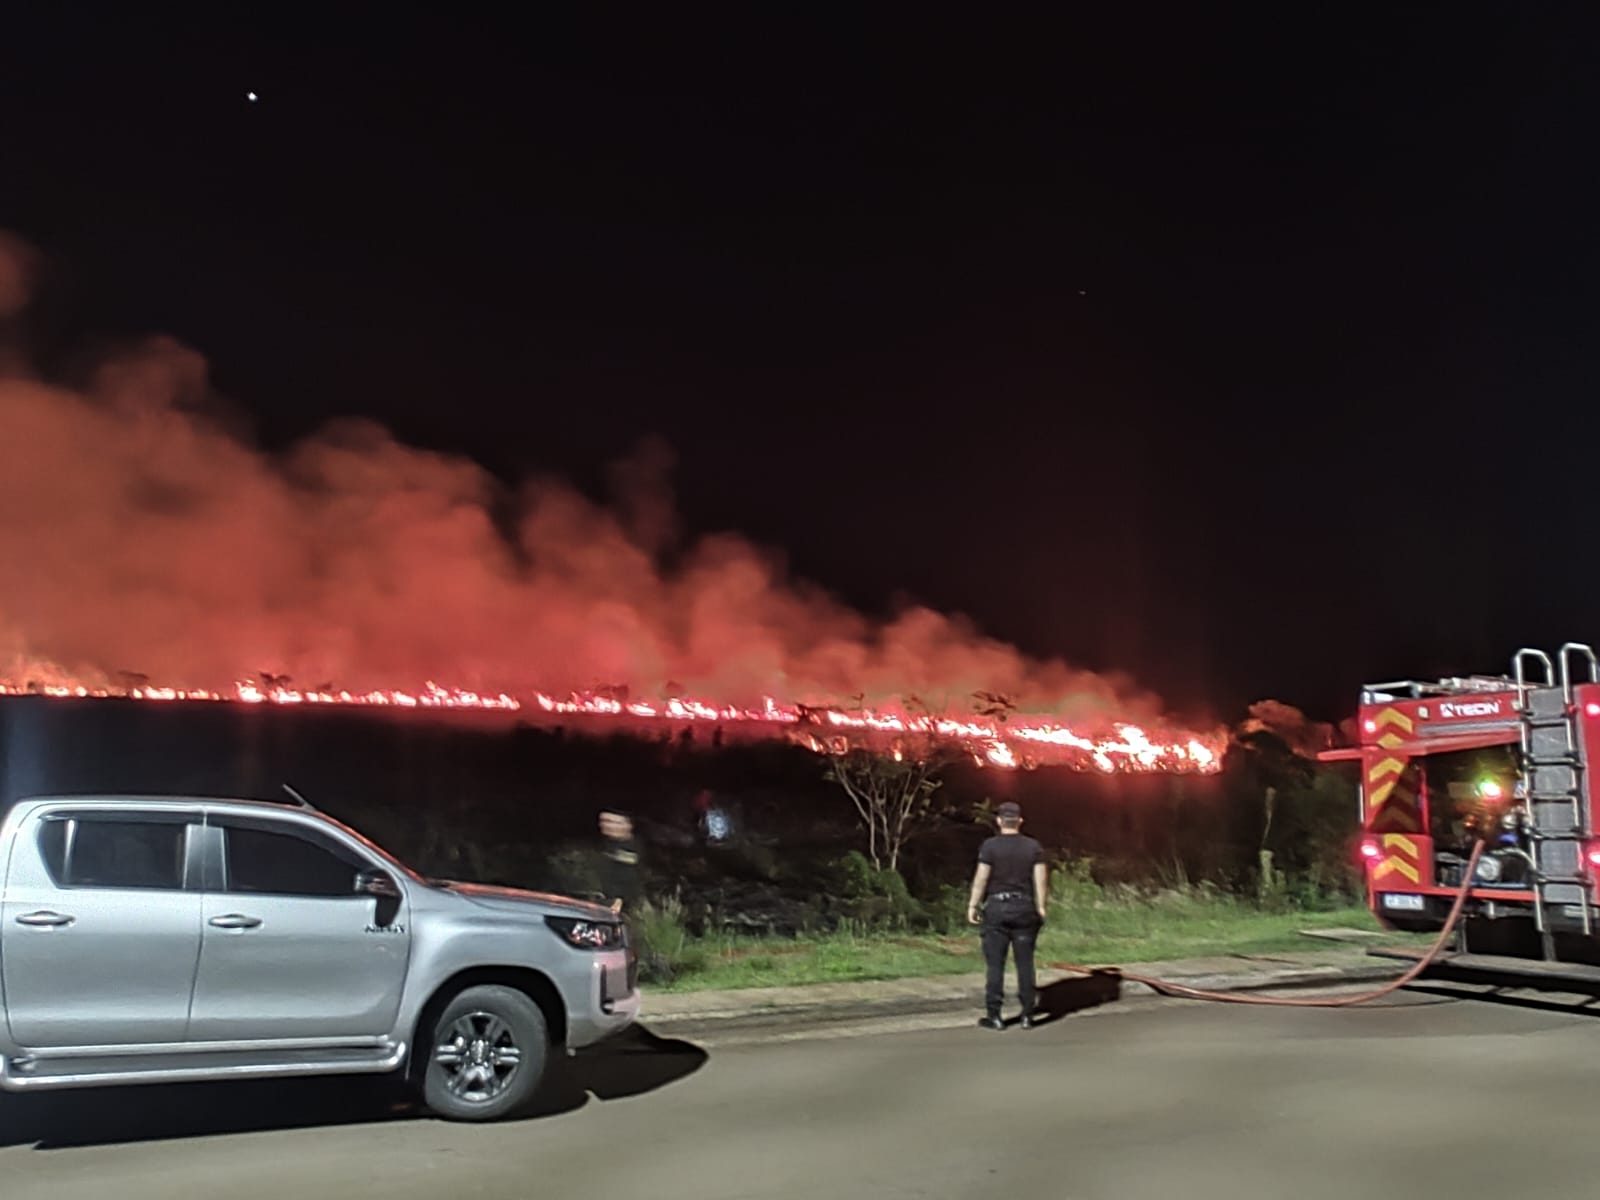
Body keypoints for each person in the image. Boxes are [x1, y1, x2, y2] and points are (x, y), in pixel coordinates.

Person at [966, 800, 1048, 1030]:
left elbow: (981, 878)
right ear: (1019, 821)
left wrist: (973, 905)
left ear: (1000, 821)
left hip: (996, 909)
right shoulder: (1033, 847)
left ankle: (995, 1015)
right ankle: (1027, 1015)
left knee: (995, 965)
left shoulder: (990, 846)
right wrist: (1040, 907)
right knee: (1025, 964)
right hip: (1024, 909)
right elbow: (1040, 879)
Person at [598, 808, 642, 913]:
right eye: (604, 821)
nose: (606, 825)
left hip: (620, 906)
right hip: (604, 898)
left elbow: (627, 876)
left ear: (627, 826)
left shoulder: (630, 847)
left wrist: (619, 901)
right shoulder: (608, 843)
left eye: (613, 822)